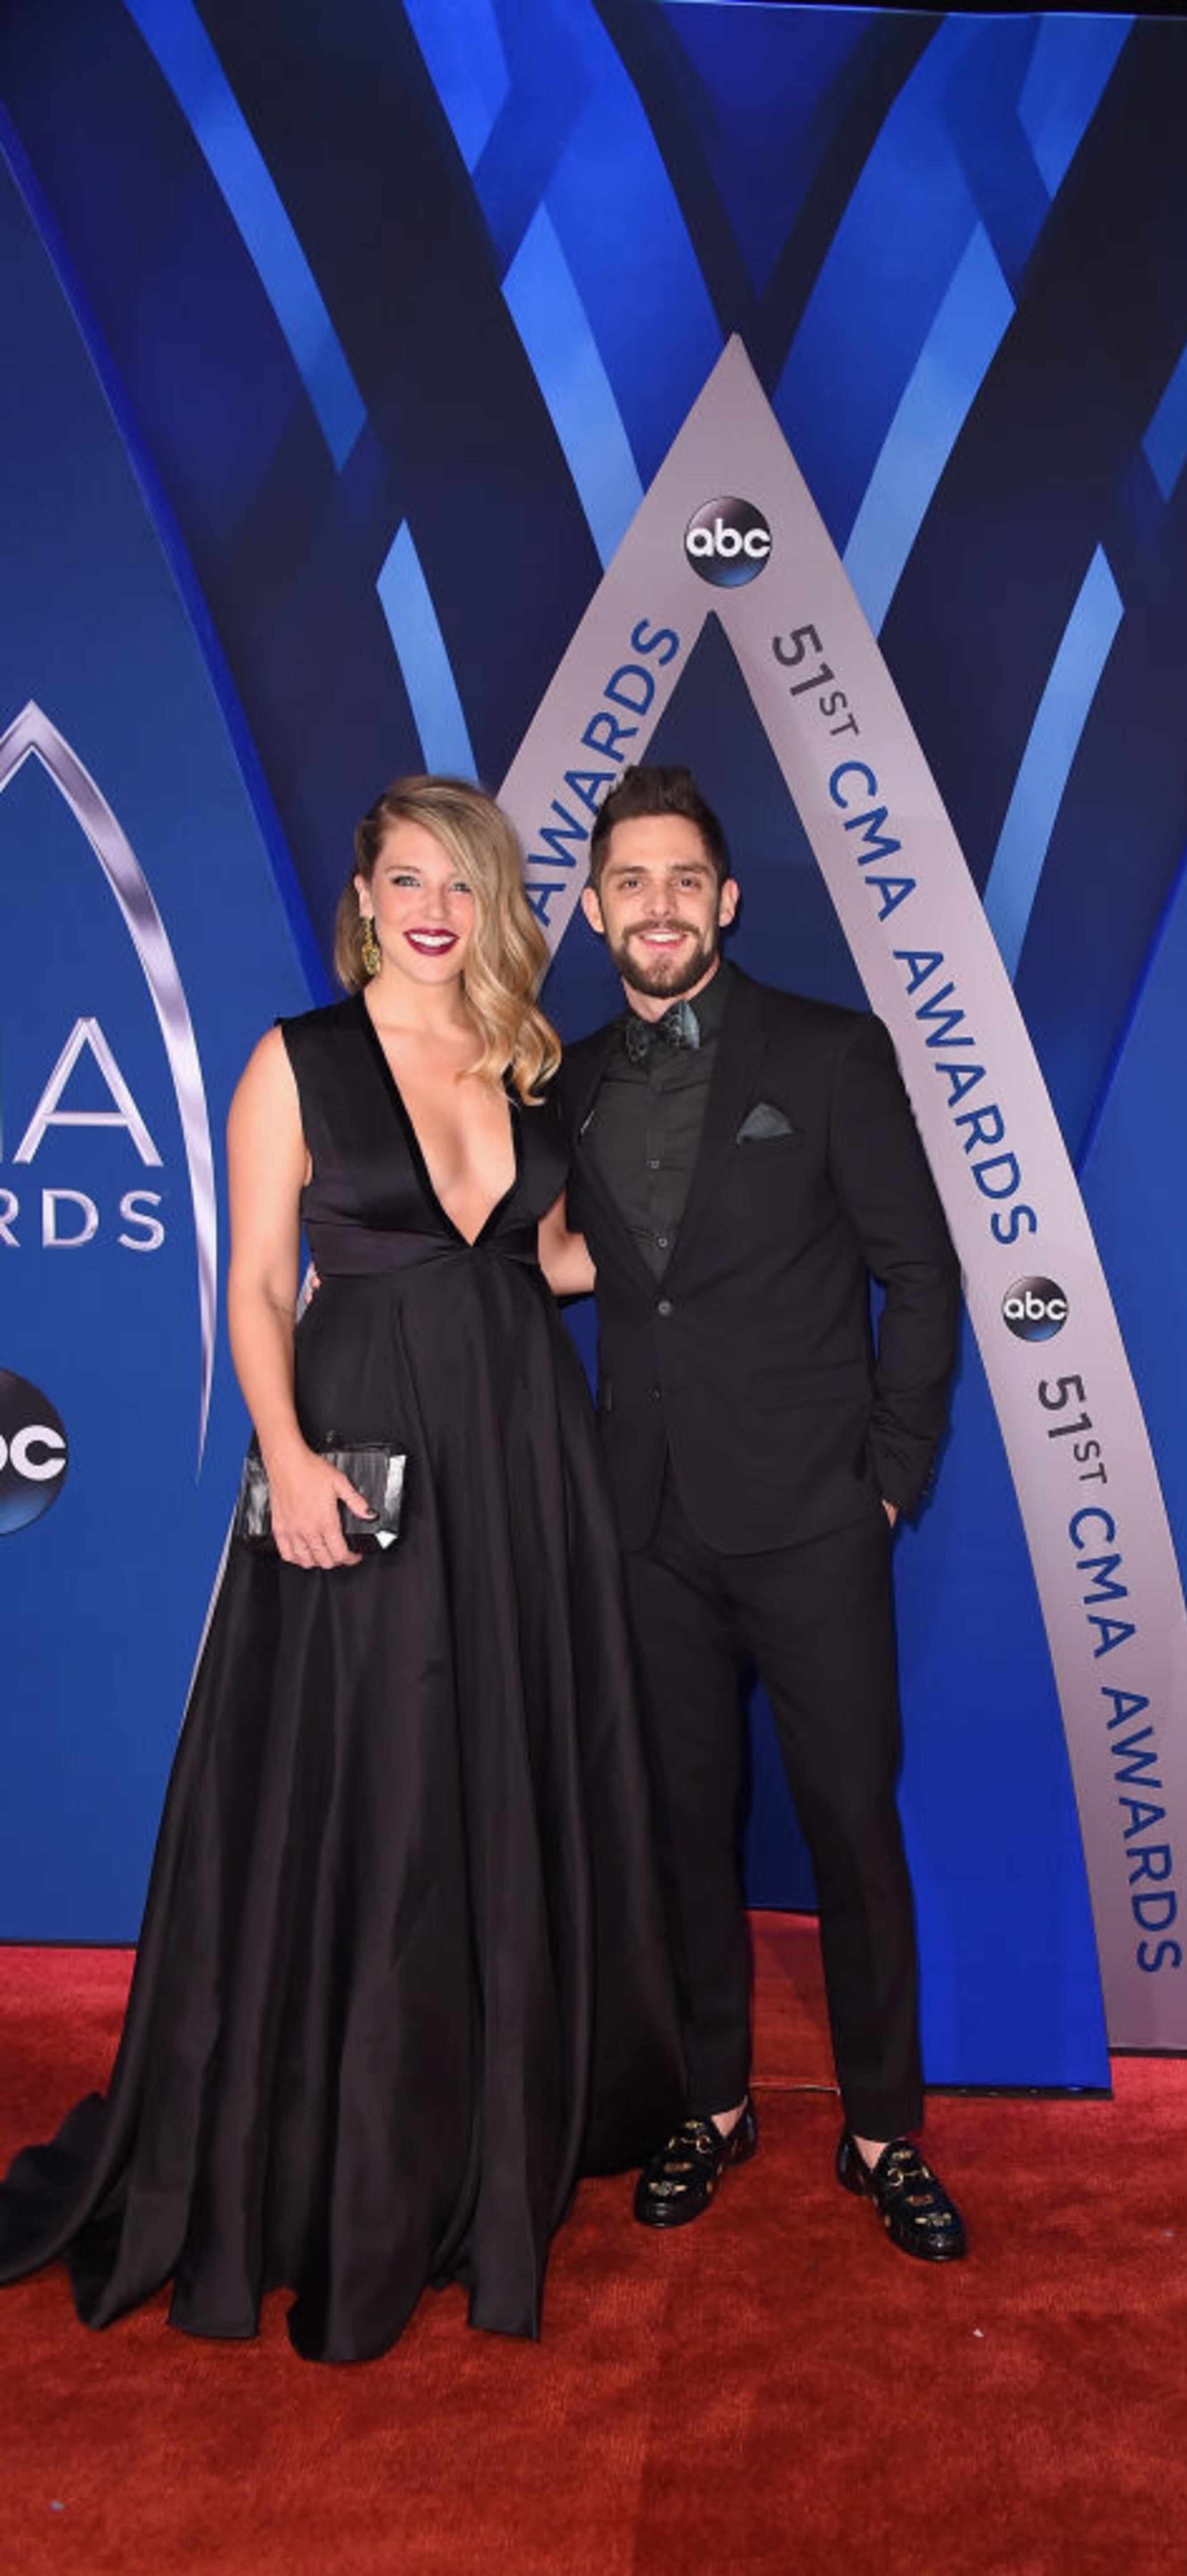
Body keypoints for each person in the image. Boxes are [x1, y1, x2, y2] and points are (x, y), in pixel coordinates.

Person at [0, 776, 681, 2361]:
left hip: (521, 1468)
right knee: (372, 1787)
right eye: (406, 879)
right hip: (360, 1458)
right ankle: (344, 2151)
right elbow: (255, 1284)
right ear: (363, 898)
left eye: (462, 881)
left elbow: (547, 1260)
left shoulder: (523, 1060)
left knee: (493, 1780)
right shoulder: (294, 1060)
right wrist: (287, 1458)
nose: (435, 908)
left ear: (494, 901)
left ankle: (480, 2121)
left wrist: (705, 1219)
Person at [558, 762, 967, 2262]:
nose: (658, 905)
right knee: (682, 1832)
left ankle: (883, 2132)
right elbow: (550, 1261)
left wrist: (888, 1482)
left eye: (684, 879)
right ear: (594, 908)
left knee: (851, 1826)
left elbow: (921, 1273)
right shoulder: (566, 1081)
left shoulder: (832, 1052)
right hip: (647, 1524)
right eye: (631, 882)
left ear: (725, 900)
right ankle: (712, 2101)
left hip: (813, 1519)